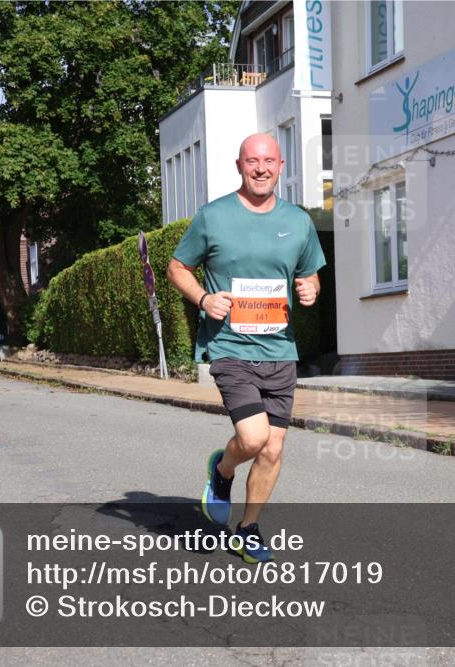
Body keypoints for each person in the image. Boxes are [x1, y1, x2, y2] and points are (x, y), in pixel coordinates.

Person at [167, 133, 326, 564]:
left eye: (269, 161)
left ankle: (248, 528)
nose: (261, 168)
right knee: (254, 438)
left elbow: (310, 274)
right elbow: (177, 267)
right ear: (240, 166)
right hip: (230, 345)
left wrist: (311, 288)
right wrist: (203, 299)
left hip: (281, 351)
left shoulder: (298, 221)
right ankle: (223, 470)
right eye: (252, 161)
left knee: (273, 448)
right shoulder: (213, 216)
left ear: (281, 166)